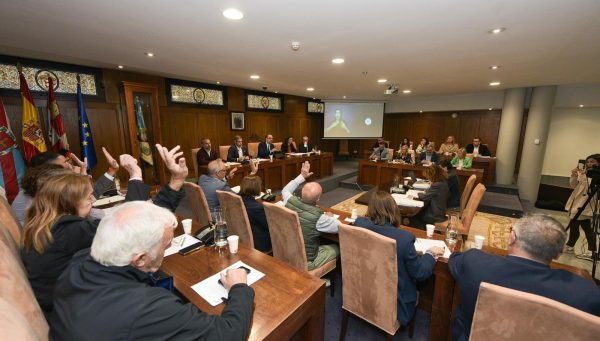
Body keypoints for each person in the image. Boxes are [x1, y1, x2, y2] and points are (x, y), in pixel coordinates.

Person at [21, 144, 187, 317]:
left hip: (71, 306)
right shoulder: (68, 231)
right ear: (68, 201)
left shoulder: (46, 224)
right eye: (87, 197)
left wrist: (176, 180)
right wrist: (136, 175)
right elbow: (134, 222)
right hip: (82, 312)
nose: (92, 201)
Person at [50, 201, 254, 340]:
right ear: (140, 258)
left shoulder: (79, 261)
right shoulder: (147, 308)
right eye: (166, 246)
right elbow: (229, 334)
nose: (167, 250)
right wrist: (239, 287)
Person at [449, 214, 600, 341]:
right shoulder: (587, 295)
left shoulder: (475, 263)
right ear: (560, 252)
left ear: (511, 238)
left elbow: (453, 258)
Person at [354, 191, 444, 326]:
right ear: (394, 210)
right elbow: (420, 273)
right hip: (396, 303)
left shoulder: (358, 224)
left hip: (363, 291)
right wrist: (430, 254)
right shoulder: (404, 238)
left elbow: (361, 220)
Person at [12, 147, 121, 225]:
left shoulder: (47, 184)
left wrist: (111, 171)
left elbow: (88, 197)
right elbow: (84, 202)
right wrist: (82, 177)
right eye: (65, 162)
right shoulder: (44, 189)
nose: (70, 165)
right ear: (50, 168)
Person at [282, 161, 339, 270]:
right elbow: (340, 227)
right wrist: (330, 217)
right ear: (318, 199)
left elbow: (286, 189)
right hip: (307, 261)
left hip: (288, 250)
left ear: (301, 193)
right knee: (337, 247)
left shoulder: (288, 200)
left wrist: (302, 176)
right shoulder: (320, 218)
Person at [564, 154, 600, 257]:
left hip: (588, 205)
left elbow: (589, 188)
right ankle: (570, 245)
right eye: (587, 162)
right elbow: (573, 185)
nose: (589, 164)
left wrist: (584, 175)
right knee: (574, 226)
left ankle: (592, 250)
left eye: (592, 162)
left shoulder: (596, 175)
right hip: (576, 204)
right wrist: (574, 175)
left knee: (587, 228)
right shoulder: (584, 173)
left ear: (598, 163)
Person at [238, 175, 271, 252]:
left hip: (242, 236)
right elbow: (270, 226)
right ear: (256, 188)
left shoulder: (237, 198)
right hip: (260, 243)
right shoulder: (257, 208)